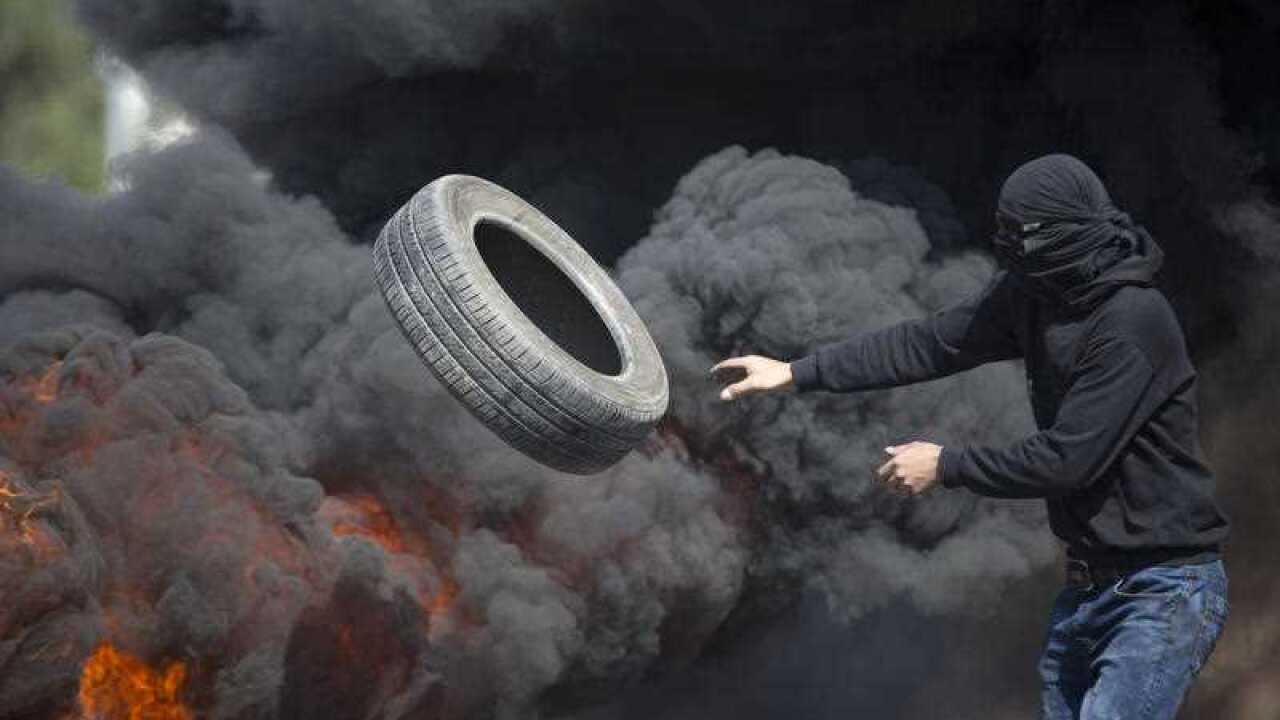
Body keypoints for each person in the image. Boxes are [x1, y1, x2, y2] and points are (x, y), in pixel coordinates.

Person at [710, 153, 1230, 719]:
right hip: (1087, 587)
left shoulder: (1131, 322)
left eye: (1020, 239)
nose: (1008, 252)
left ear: (1062, 237)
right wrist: (796, 372)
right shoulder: (1035, 293)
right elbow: (930, 344)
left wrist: (946, 464)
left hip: (1162, 590)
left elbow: (1068, 460)